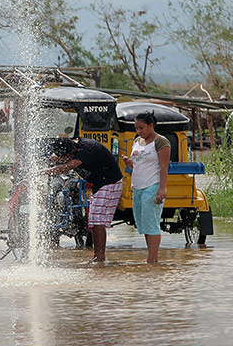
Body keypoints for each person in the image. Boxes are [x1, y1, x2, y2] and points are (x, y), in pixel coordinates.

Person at [45, 137, 123, 263]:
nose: (65, 160)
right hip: (99, 184)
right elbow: (58, 155)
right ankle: (97, 257)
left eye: (66, 157)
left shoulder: (86, 150)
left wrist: (43, 172)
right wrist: (54, 157)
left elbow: (66, 168)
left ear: (72, 152)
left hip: (109, 183)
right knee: (93, 220)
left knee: (97, 220)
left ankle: (100, 257)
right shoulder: (71, 144)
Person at [122, 111, 170, 264]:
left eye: (141, 128)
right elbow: (138, 162)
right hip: (137, 187)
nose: (139, 131)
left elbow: (164, 166)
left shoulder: (161, 142)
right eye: (136, 128)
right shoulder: (137, 141)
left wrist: (162, 188)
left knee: (152, 225)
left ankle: (151, 261)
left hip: (152, 186)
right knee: (143, 225)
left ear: (151, 125)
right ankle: (152, 258)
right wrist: (128, 161)